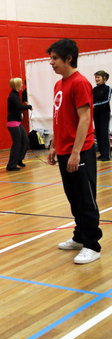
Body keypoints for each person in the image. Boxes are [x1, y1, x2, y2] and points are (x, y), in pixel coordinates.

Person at [46, 38, 102, 264]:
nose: (51, 62)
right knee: (73, 198)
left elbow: (85, 118)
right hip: (63, 150)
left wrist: (76, 152)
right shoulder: (59, 85)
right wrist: (53, 145)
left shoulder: (80, 83)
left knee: (86, 199)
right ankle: (79, 237)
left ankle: (92, 245)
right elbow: (60, 118)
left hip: (80, 152)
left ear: (69, 58)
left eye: (55, 58)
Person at [6, 77, 32, 171]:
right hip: (13, 123)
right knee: (17, 143)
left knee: (25, 141)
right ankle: (11, 165)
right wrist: (28, 106)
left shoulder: (16, 94)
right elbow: (18, 106)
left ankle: (18, 160)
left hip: (17, 122)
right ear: (17, 85)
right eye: (20, 84)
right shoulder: (13, 95)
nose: (22, 85)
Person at [93, 70, 111, 161]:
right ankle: (102, 153)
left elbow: (107, 100)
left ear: (104, 78)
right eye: (96, 77)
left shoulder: (108, 88)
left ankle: (106, 155)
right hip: (96, 114)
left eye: (98, 77)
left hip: (104, 114)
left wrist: (95, 105)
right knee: (98, 134)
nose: (96, 79)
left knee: (104, 133)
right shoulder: (94, 89)